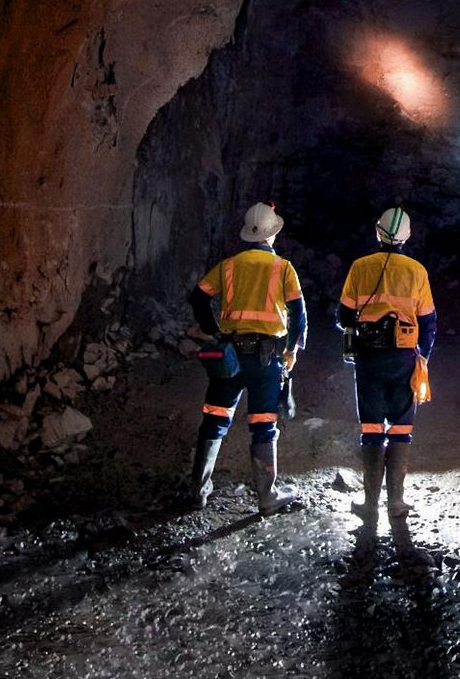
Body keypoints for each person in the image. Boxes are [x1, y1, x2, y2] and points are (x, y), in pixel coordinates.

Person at [187, 202, 307, 514]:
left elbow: (198, 297)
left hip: (228, 357)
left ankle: (198, 492)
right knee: (264, 425)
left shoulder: (228, 266)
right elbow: (298, 315)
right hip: (267, 360)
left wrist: (213, 330)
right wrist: (292, 350)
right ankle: (267, 497)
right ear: (273, 234)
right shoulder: (283, 268)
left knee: (214, 420)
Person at [334, 207, 436, 528]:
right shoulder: (416, 271)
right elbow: (428, 320)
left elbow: (344, 316)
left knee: (372, 426)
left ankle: (369, 504)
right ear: (407, 236)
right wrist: (423, 356)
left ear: (378, 233)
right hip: (404, 355)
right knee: (402, 426)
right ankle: (396, 502)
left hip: (368, 357)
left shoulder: (360, 267)